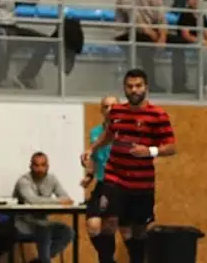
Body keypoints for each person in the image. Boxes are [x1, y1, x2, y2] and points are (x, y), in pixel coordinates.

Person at [82, 68, 177, 263]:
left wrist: (150, 151)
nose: (134, 90)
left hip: (142, 183)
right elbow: (109, 134)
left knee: (137, 230)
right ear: (124, 88)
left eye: (138, 86)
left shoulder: (157, 115)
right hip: (115, 177)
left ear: (146, 88)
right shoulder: (117, 112)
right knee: (107, 221)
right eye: (129, 86)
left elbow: (171, 147)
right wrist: (92, 149)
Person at [12, 152, 75, 263]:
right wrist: (59, 201)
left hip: (42, 223)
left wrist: (62, 200)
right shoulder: (24, 181)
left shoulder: (52, 179)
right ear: (30, 166)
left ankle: (39, 262)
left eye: (43, 165)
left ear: (47, 166)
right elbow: (34, 201)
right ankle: (44, 261)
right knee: (45, 230)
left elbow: (66, 197)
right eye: (36, 165)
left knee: (68, 232)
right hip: (23, 224)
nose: (40, 169)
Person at [80, 95, 119, 263]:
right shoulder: (95, 133)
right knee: (93, 226)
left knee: (110, 226)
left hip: (119, 185)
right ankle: (108, 260)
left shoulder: (125, 132)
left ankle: (106, 260)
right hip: (102, 183)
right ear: (102, 110)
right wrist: (89, 175)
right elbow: (95, 159)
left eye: (113, 106)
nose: (109, 110)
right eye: (106, 106)